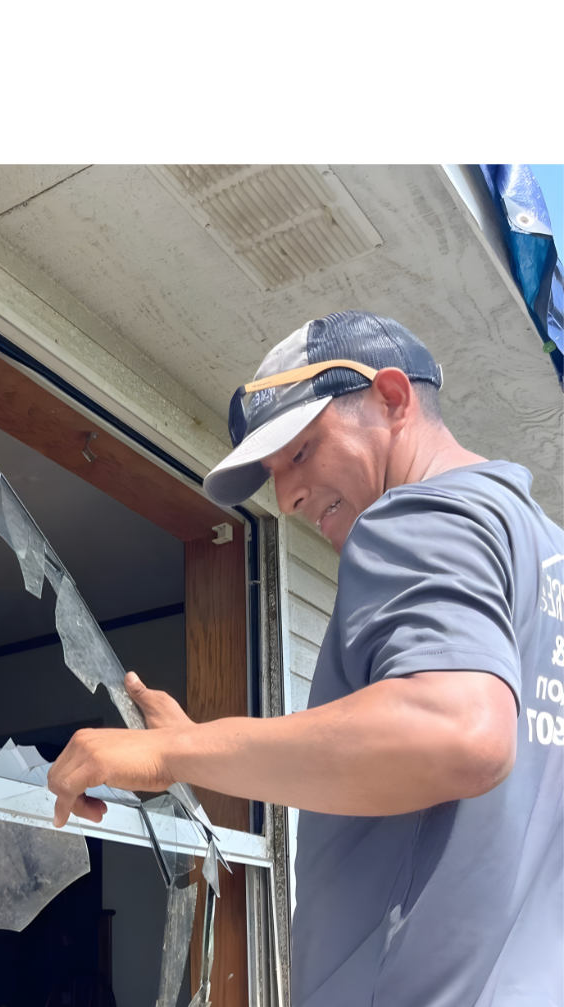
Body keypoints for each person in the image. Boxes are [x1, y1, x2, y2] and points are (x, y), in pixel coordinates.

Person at [47, 311, 564, 1006]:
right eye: (273, 471)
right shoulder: (540, 552)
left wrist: (178, 753)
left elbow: (459, 731)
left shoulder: (416, 517)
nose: (286, 497)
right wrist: (194, 747)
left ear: (391, 398)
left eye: (299, 451)